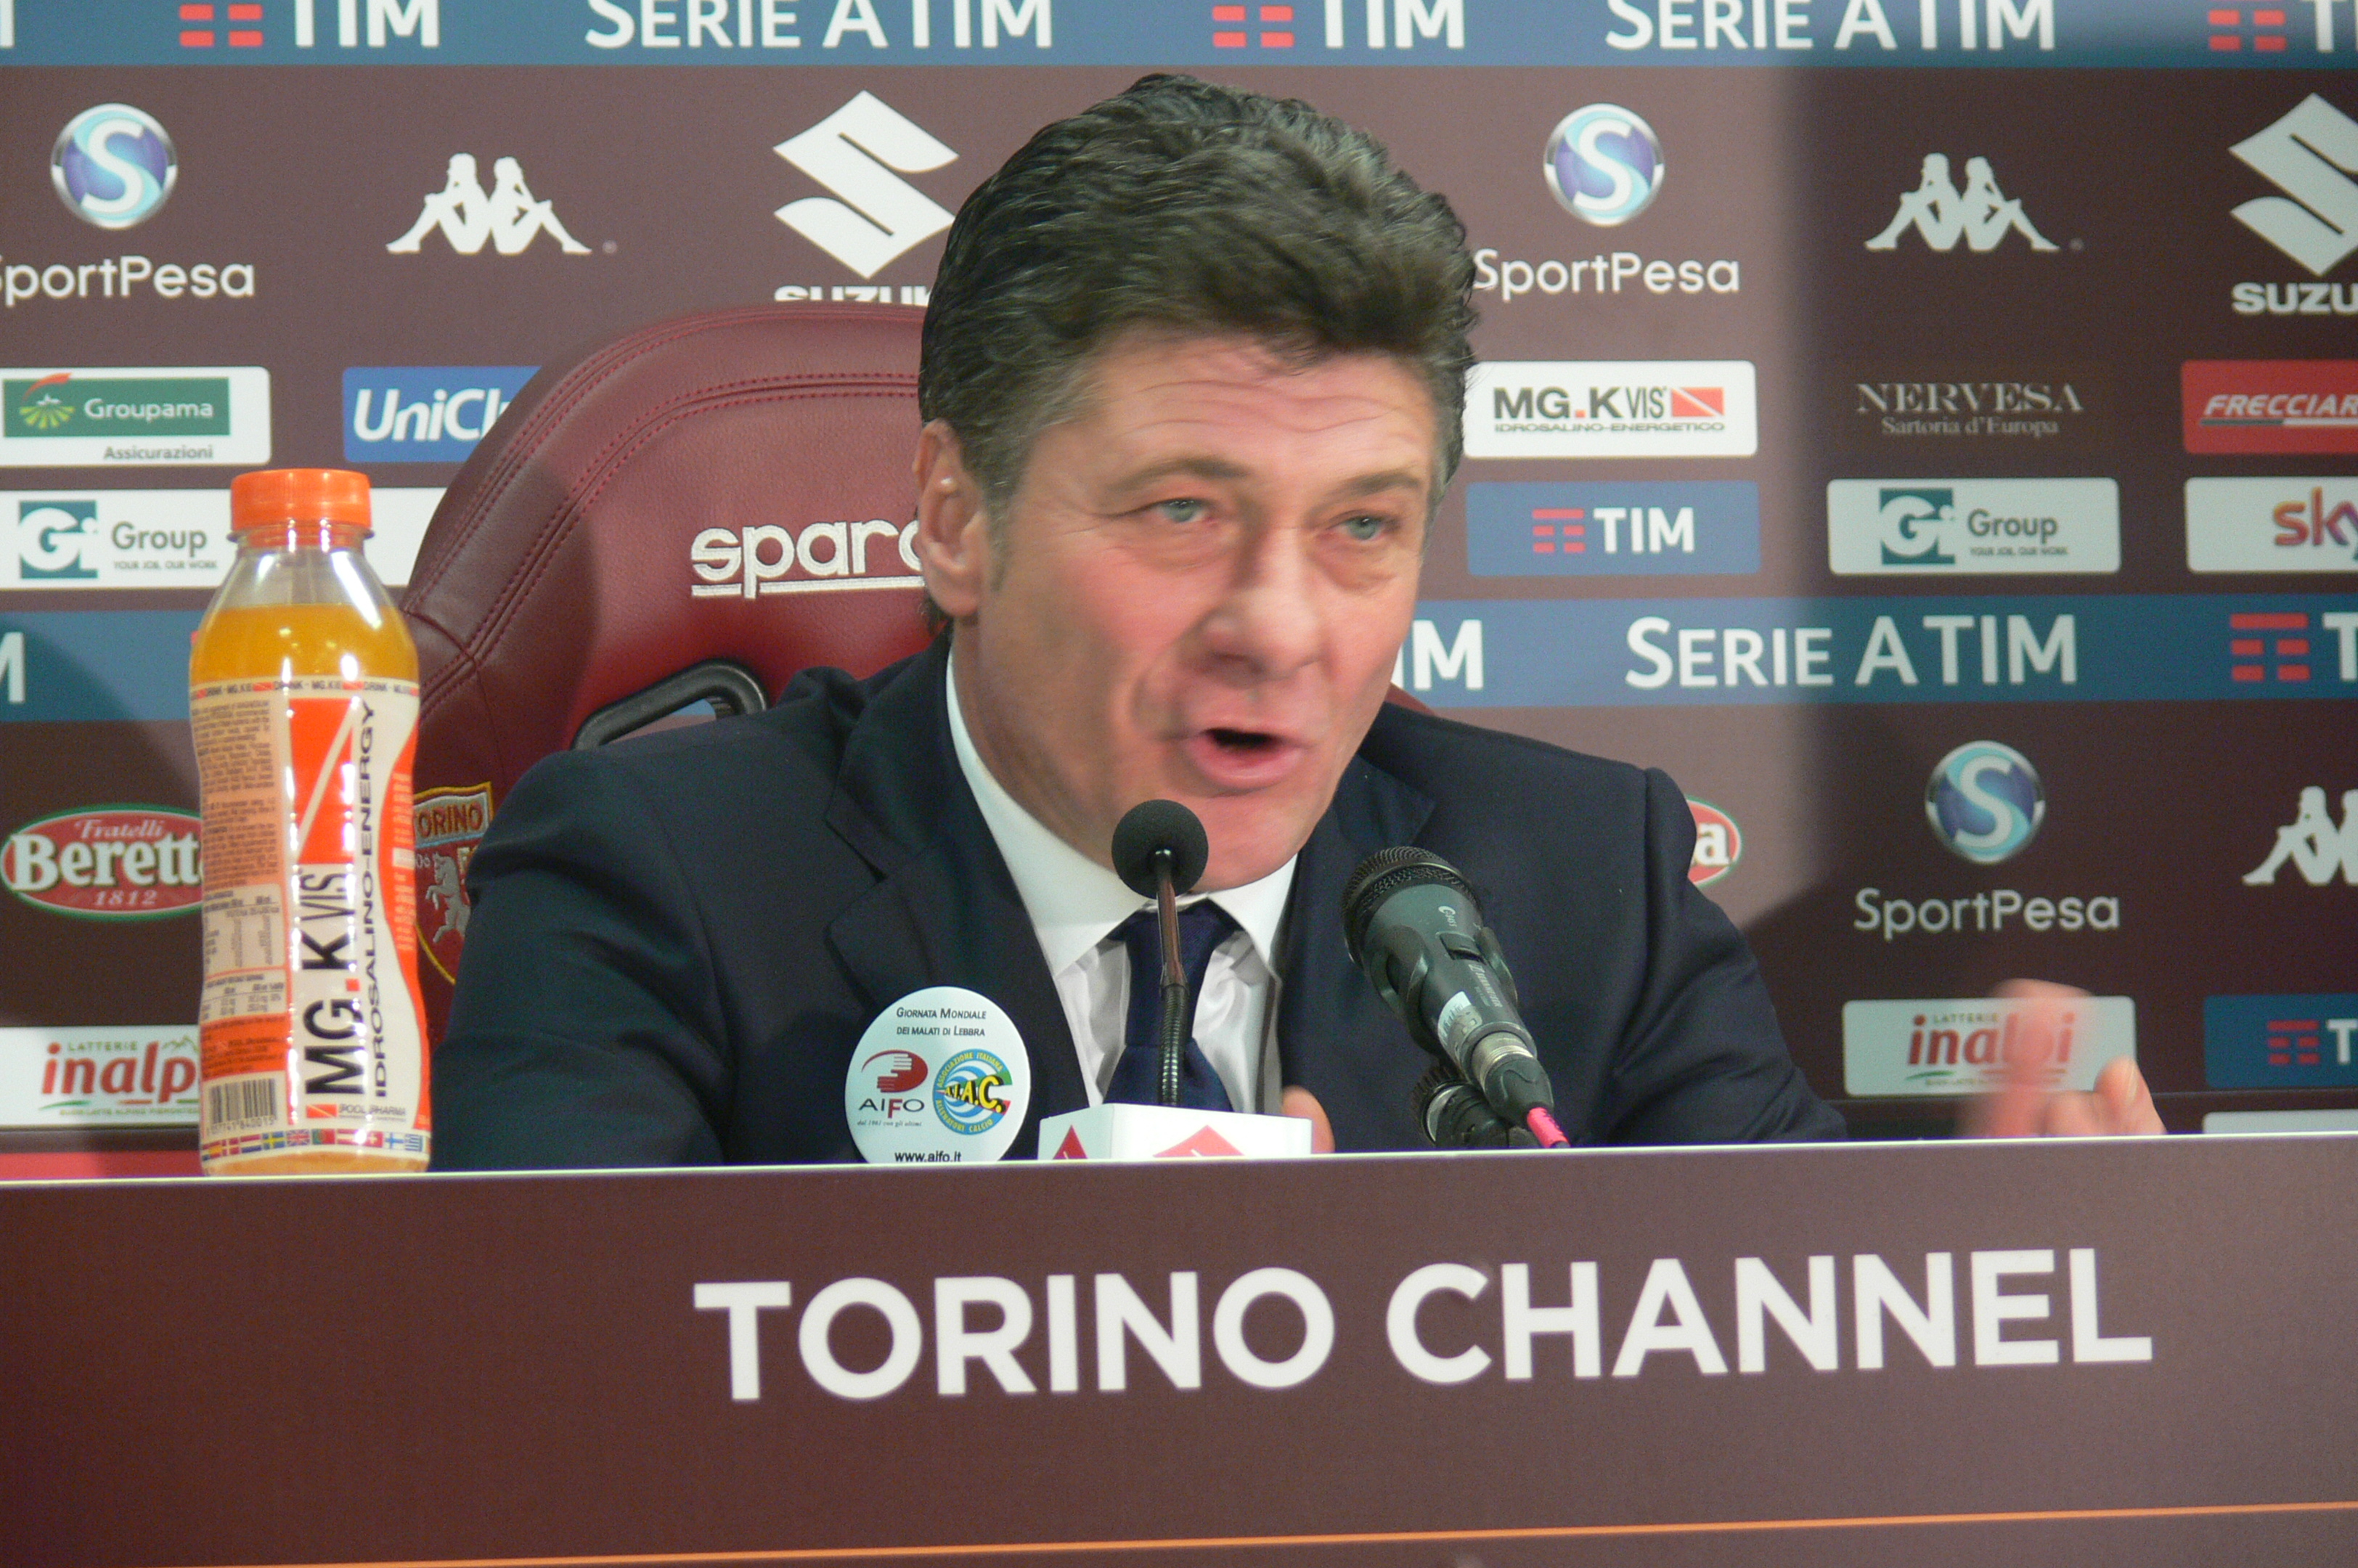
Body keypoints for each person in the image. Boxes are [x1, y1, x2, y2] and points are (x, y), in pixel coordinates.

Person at [431, 76, 2150, 1169]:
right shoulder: (659, 881)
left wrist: (2001, 1291)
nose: (1280, 627)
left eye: (1361, 530)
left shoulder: (1583, 890)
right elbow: (543, 1417)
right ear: (955, 517)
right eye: (1182, 513)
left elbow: (1780, 1391)